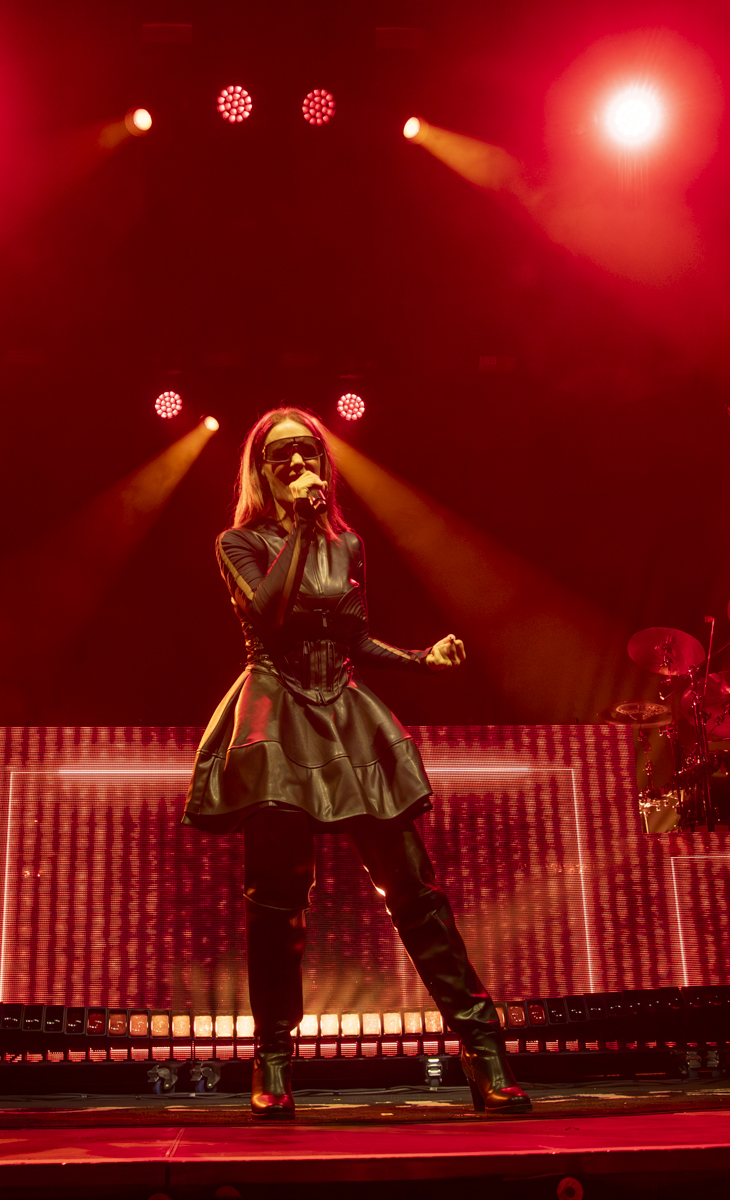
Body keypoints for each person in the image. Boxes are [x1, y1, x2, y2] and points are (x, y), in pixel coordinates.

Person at [184, 407, 530, 1119]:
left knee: (416, 892)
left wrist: (422, 661)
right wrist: (302, 529)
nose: (296, 463)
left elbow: (355, 639)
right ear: (261, 469)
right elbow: (270, 615)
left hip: (345, 713)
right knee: (277, 902)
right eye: (280, 454)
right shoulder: (238, 542)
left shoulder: (349, 545)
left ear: (323, 462)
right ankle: (273, 1058)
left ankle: (483, 1049)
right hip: (276, 715)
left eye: (307, 451)